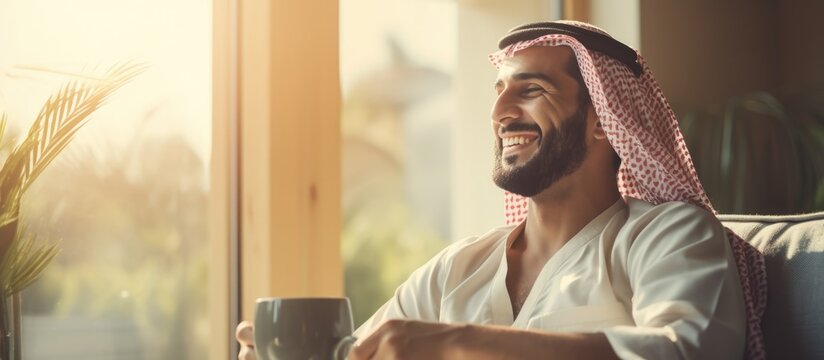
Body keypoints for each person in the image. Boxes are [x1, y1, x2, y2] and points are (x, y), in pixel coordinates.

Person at [236, 20, 767, 359]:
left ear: (605, 119)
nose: (499, 112)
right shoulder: (455, 270)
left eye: (531, 90)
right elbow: (365, 352)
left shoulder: (668, 235)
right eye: (499, 91)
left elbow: (687, 350)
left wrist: (462, 342)